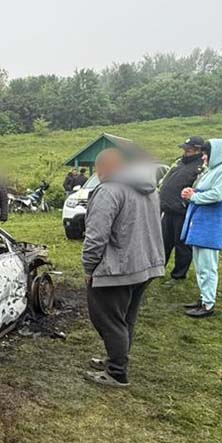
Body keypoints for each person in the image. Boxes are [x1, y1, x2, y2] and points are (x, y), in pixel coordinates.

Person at [82, 149, 165, 387]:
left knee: (108, 320)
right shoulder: (149, 189)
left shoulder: (108, 191)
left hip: (117, 269)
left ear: (103, 168)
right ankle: (117, 358)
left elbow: (96, 236)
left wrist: (89, 268)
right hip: (146, 265)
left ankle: (117, 372)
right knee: (126, 318)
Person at [180, 139, 222, 318]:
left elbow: (217, 194)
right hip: (201, 222)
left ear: (217, 153)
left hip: (212, 224)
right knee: (200, 265)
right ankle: (204, 297)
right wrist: (191, 192)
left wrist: (193, 197)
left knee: (208, 265)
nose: (204, 157)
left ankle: (208, 304)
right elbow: (202, 190)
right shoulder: (214, 169)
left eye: (206, 154)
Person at [157, 136, 205, 284]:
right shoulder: (179, 162)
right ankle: (158, 270)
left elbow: (199, 188)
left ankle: (178, 276)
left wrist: (184, 203)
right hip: (167, 209)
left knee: (182, 245)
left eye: (189, 149)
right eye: (185, 148)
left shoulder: (201, 167)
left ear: (198, 150)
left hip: (183, 212)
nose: (185, 151)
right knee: (163, 242)